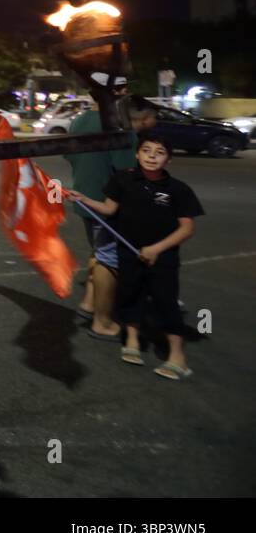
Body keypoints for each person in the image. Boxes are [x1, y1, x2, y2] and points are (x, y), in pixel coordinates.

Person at [68, 135, 203, 381]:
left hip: (162, 257)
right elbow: (110, 210)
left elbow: (187, 228)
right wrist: (83, 199)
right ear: (137, 155)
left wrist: (156, 249)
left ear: (168, 159)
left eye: (159, 152)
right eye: (146, 150)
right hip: (128, 251)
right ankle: (131, 340)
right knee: (131, 295)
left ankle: (177, 356)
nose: (152, 156)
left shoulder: (178, 190)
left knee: (166, 302)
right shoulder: (122, 179)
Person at [65, 95, 157, 340]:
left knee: (98, 250)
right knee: (109, 259)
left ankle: (89, 303)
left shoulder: (80, 120)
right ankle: (103, 322)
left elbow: (69, 155)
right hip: (109, 205)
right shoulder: (119, 128)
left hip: (83, 197)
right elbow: (129, 174)